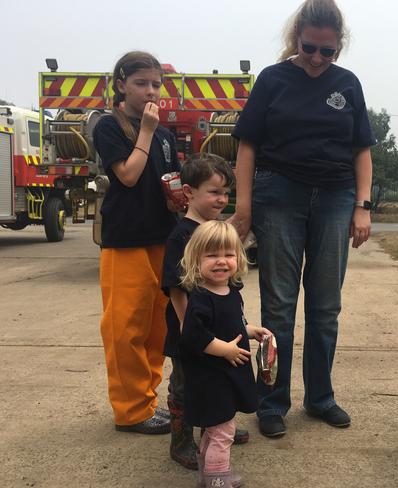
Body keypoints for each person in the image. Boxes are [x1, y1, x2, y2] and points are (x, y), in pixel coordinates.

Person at [229, 0, 376, 438]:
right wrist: (244, 206)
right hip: (279, 196)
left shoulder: (347, 84)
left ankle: (321, 397)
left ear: (338, 48)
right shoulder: (273, 80)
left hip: (335, 196)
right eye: (309, 48)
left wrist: (362, 205)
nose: (316, 58)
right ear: (297, 38)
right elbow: (247, 146)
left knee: (326, 304)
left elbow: (362, 150)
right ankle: (272, 401)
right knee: (278, 306)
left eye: (327, 52)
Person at [93, 51, 182, 434]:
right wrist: (145, 129)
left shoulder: (165, 134)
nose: (150, 92)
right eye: (141, 83)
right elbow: (127, 176)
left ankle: (146, 400)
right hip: (125, 240)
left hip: (161, 236)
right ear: (121, 85)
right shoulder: (108, 126)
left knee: (156, 328)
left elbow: (169, 179)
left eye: (156, 85)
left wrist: (181, 196)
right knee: (125, 326)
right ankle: (130, 411)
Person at [161, 154, 250, 470]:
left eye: (226, 193)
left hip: (216, 330)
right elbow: (176, 289)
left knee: (216, 381)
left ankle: (216, 425)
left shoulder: (216, 231)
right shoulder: (181, 235)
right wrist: (190, 333)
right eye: (214, 192)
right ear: (188, 192)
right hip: (190, 331)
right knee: (185, 386)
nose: (222, 199)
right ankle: (181, 440)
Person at [179, 220, 270, 487]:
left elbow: (231, 322)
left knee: (215, 426)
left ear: (239, 258)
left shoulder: (230, 292)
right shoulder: (200, 297)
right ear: (196, 260)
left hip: (224, 376)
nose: (221, 262)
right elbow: (194, 337)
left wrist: (250, 330)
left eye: (228, 254)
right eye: (212, 255)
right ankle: (217, 477)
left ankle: (207, 471)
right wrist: (226, 350)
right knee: (223, 430)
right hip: (211, 377)